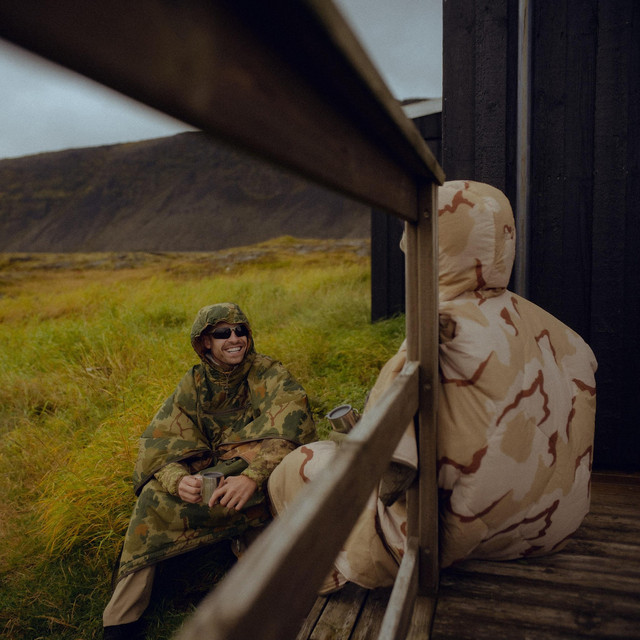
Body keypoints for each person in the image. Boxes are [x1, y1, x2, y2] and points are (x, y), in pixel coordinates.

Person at [268, 180, 597, 591]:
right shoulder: (564, 334)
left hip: (449, 541)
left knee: (299, 464)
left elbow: (387, 473)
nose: (405, 248)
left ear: (435, 244)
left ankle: (303, 572)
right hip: (551, 530)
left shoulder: (436, 331)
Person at [103, 302, 316, 639]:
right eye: (222, 333)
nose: (235, 339)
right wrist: (178, 481)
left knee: (284, 476)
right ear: (205, 342)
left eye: (240, 330)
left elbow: (293, 424)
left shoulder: (268, 372)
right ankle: (121, 621)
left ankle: (262, 578)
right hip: (212, 477)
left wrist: (251, 476)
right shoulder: (193, 383)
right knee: (152, 498)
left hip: (259, 474)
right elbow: (160, 441)